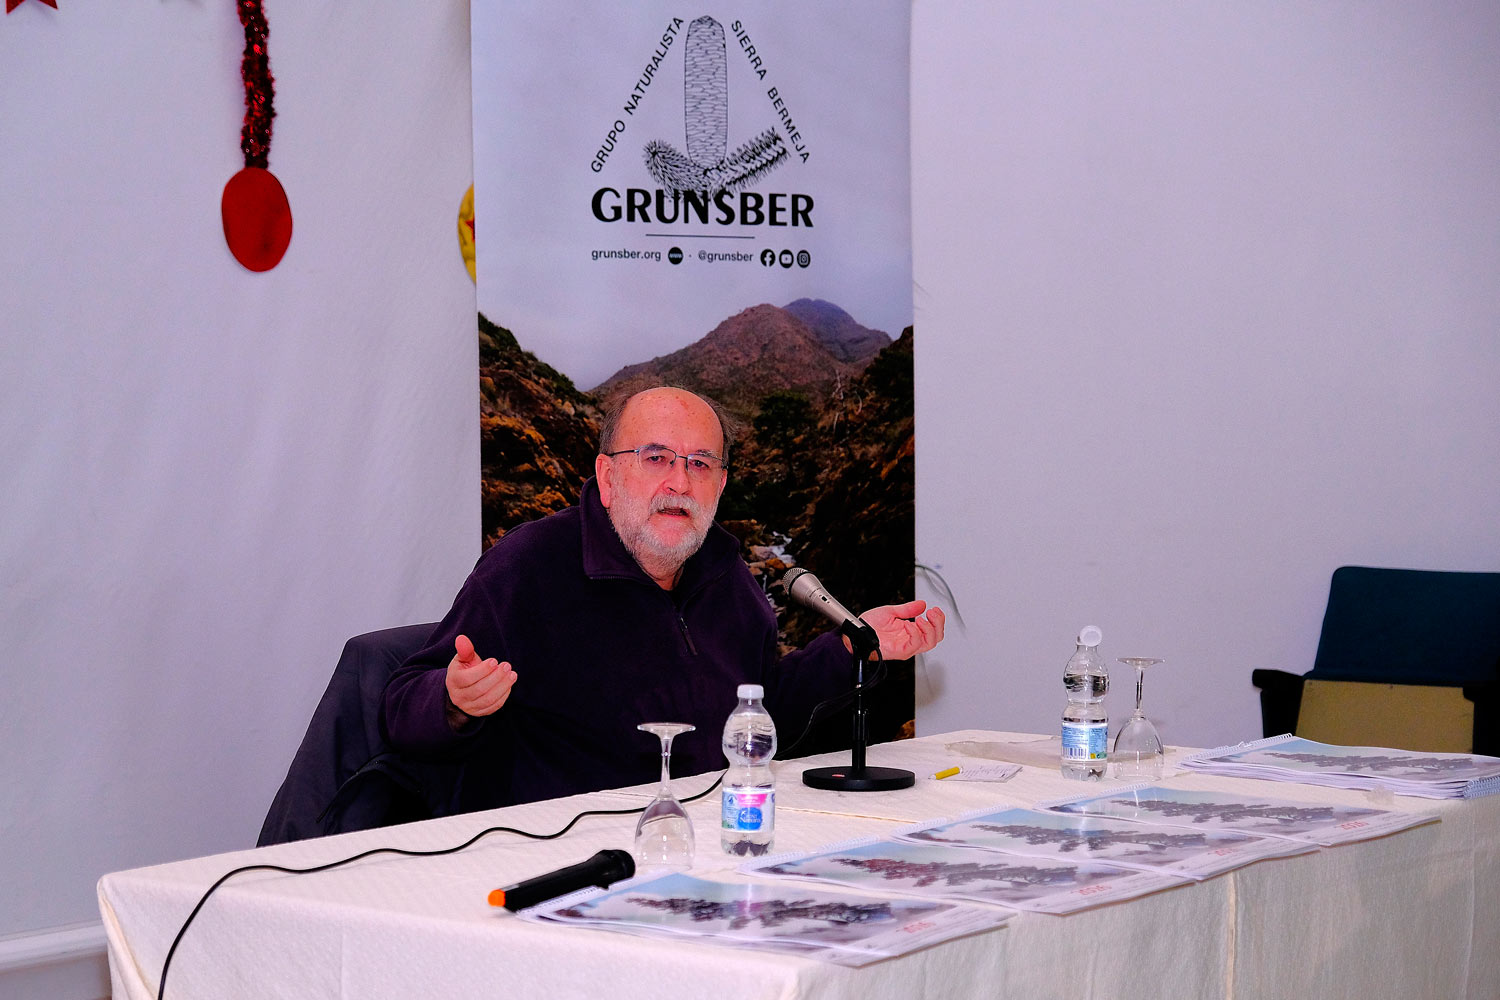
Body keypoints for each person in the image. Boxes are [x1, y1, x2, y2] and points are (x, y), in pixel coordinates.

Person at [381, 386, 944, 814]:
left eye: (700, 464)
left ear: (721, 486)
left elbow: (761, 709)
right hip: (564, 860)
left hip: (713, 840)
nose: (679, 482)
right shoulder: (530, 564)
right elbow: (401, 706)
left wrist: (854, 649)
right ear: (606, 477)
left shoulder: (729, 577)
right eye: (656, 458)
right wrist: (456, 700)